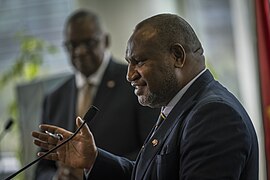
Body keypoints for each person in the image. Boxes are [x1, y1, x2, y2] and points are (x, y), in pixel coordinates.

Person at [32, 13, 259, 180]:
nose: (130, 75)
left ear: (177, 56)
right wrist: (93, 159)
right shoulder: (178, 107)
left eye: (139, 62)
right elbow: (147, 176)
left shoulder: (214, 115)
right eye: (129, 63)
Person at [34, 9, 159, 180]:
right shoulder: (54, 98)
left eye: (88, 43)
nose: (80, 51)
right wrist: (57, 177)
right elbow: (42, 168)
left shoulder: (137, 83)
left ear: (106, 41)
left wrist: (92, 168)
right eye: (72, 45)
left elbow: (153, 153)